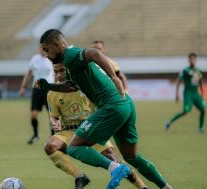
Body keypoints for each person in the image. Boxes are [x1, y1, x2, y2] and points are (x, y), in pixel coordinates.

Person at [36, 29, 173, 189]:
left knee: (74, 147)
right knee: (131, 156)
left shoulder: (70, 55)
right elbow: (72, 86)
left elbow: (94, 53)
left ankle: (115, 169)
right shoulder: (70, 63)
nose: (45, 55)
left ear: (56, 44)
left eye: (46, 49)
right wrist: (49, 86)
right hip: (125, 104)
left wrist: (114, 78)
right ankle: (166, 187)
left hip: (111, 106)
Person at [45, 63, 148, 189]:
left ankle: (142, 186)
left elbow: (101, 107)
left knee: (114, 160)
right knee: (50, 146)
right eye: (56, 72)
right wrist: (55, 123)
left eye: (62, 71)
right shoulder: (52, 93)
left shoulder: (86, 86)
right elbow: (54, 117)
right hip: (68, 131)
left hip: (91, 129)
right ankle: (80, 177)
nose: (59, 75)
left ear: (69, 70)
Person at [19, 46, 54, 144]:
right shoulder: (34, 58)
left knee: (52, 115)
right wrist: (23, 87)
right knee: (33, 115)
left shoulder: (51, 58)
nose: (42, 50)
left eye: (44, 48)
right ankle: (35, 135)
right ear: (39, 48)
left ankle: (53, 137)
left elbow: (57, 72)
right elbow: (29, 73)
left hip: (49, 88)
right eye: (41, 48)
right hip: (37, 87)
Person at [165, 53, 206, 133]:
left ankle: (200, 128)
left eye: (193, 59)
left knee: (203, 110)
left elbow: (200, 82)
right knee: (186, 112)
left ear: (195, 60)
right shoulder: (185, 71)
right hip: (188, 94)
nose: (192, 60)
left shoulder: (199, 71)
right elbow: (178, 82)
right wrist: (176, 95)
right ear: (189, 60)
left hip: (196, 94)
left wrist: (202, 93)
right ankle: (169, 123)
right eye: (191, 59)